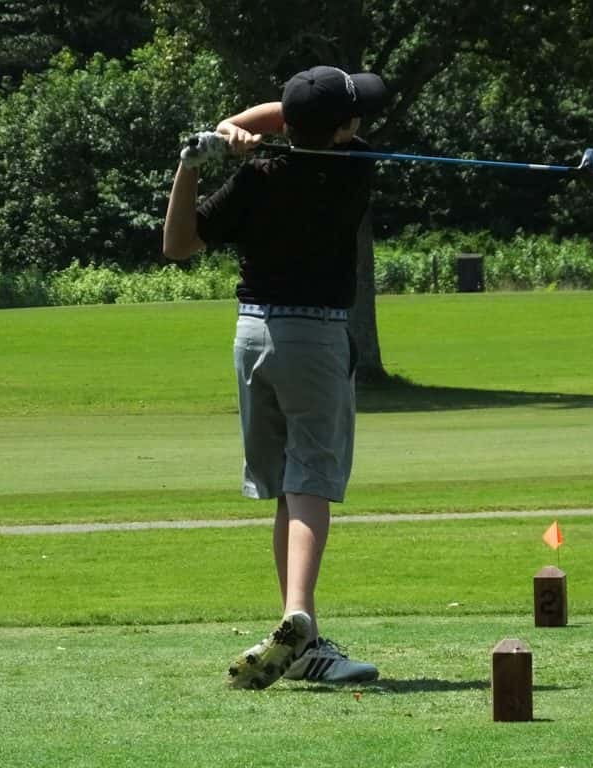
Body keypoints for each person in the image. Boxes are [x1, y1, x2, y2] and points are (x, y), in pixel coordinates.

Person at [163, 66, 387, 690]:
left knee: (290, 483)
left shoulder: (256, 177)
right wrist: (240, 128)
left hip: (253, 336)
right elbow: (291, 118)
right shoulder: (355, 165)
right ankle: (300, 618)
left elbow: (178, 244)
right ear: (341, 131)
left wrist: (200, 154)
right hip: (315, 339)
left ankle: (304, 639)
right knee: (312, 477)